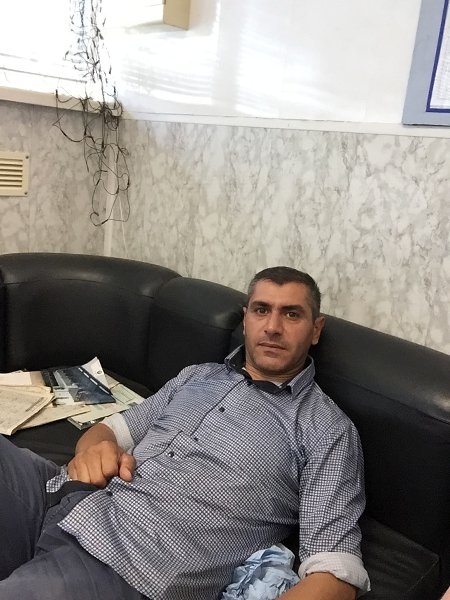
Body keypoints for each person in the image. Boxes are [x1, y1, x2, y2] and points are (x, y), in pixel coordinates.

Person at [0, 266, 370, 600]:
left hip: (129, 563)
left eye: (291, 314)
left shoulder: (326, 429)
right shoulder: (197, 376)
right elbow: (107, 431)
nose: (273, 327)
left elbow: (336, 575)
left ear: (315, 329)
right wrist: (93, 450)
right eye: (261, 310)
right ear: (246, 319)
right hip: (62, 494)